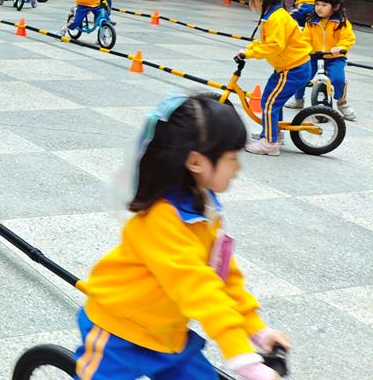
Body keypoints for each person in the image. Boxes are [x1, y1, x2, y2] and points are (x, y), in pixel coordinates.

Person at [76, 94, 291, 380]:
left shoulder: (205, 209)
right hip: (119, 332)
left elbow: (223, 276)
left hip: (168, 336)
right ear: (196, 162)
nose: (238, 168)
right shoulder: (161, 219)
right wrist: (240, 356)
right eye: (232, 159)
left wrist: (256, 330)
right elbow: (197, 286)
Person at [236, 0, 312, 155]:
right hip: (288, 67)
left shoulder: (276, 18)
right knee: (270, 100)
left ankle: (270, 144)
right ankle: (274, 133)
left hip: (293, 69)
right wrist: (251, 48)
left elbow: (274, 46)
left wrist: (250, 54)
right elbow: (267, 42)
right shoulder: (273, 14)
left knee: (270, 103)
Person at [286, 0, 357, 120]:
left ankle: (342, 102)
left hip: (334, 57)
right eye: (317, 4)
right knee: (302, 75)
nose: (319, 8)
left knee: (338, 79)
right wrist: (304, 49)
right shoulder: (311, 22)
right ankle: (298, 99)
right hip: (314, 56)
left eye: (324, 5)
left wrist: (341, 47)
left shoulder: (341, 23)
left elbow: (348, 38)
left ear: (335, 7)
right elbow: (305, 39)